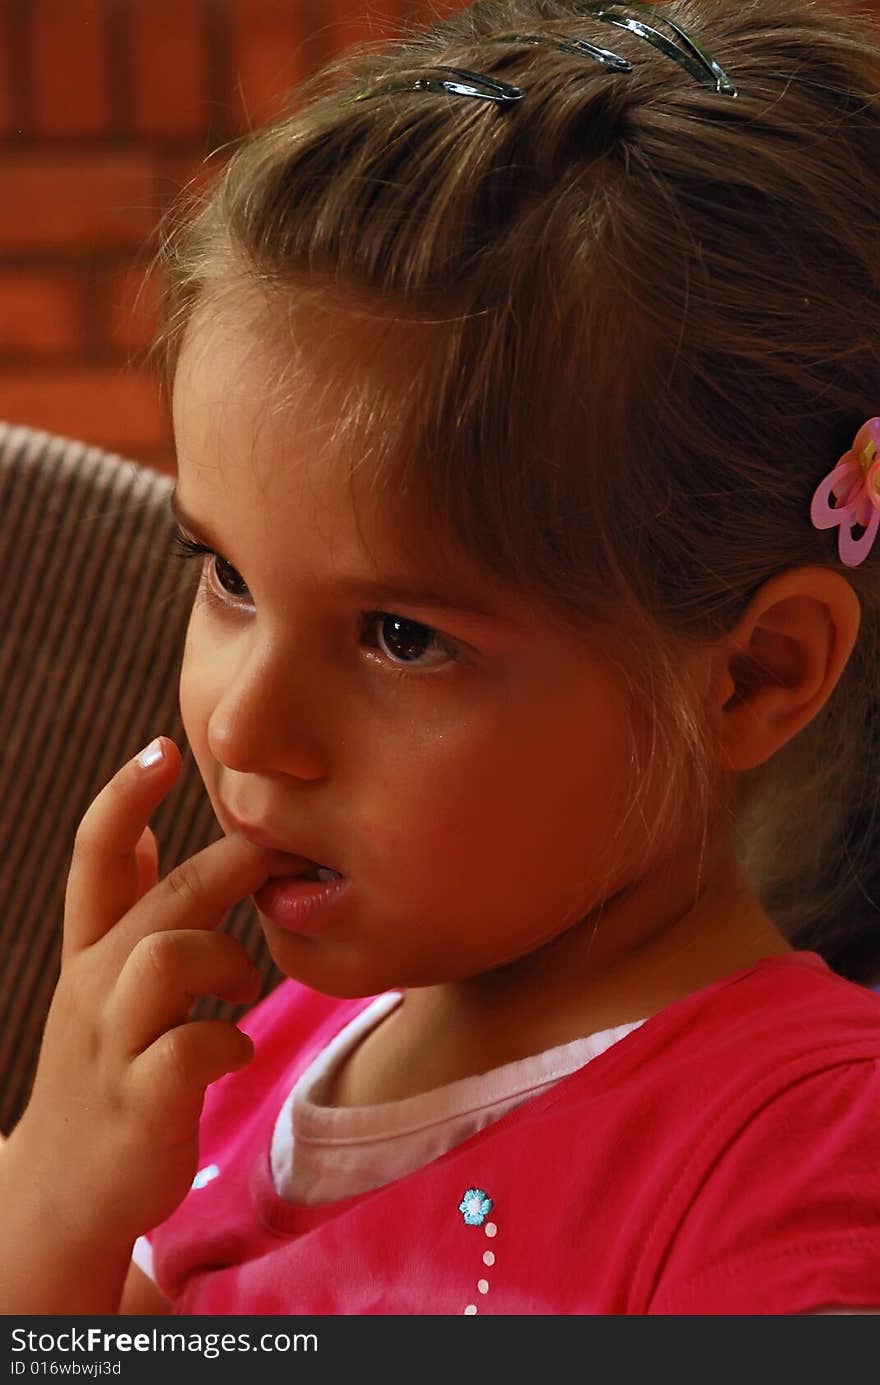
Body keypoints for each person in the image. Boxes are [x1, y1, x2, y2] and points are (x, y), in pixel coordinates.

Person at [2, 0, 880, 1316]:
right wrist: (57, 1207)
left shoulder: (800, 1165)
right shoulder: (252, 1050)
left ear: (755, 675)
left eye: (400, 637)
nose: (243, 726)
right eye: (228, 575)